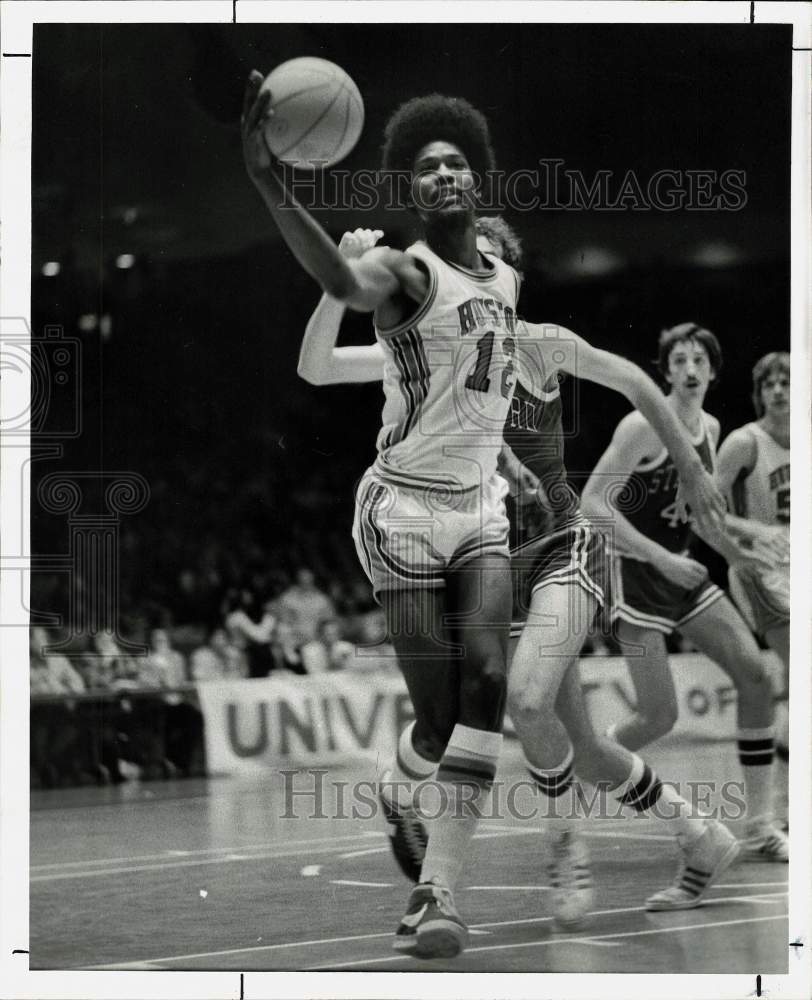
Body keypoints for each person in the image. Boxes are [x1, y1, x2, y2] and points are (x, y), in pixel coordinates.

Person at [298, 219, 737, 920]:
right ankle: (701, 834)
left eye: (489, 261)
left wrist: (688, 459)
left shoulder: (538, 343)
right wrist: (339, 276)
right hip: (493, 554)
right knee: (586, 749)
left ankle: (563, 849)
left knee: (525, 702)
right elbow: (318, 367)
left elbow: (632, 380)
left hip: (565, 548)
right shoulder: (432, 349)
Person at [243, 80, 524, 958]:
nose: (442, 175)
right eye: (426, 168)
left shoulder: (507, 276)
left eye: (455, 164)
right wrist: (270, 182)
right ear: (414, 192)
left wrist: (514, 461)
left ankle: (436, 894)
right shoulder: (405, 271)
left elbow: (487, 392)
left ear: (477, 181)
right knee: (439, 723)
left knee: (488, 684)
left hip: (479, 507)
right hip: (400, 512)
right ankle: (403, 786)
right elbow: (334, 287)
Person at [581, 323, 788, 862]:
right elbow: (593, 503)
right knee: (658, 718)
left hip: (683, 571)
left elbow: (700, 510)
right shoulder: (641, 426)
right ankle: (579, 770)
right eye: (679, 361)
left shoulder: (712, 427)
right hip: (634, 575)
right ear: (664, 372)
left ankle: (762, 825)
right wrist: (661, 557)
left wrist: (737, 552)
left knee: (757, 677)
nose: (690, 370)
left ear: (714, 371)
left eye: (699, 360)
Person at [715, 353, 790, 758]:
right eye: (769, 384)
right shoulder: (744, 442)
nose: (778, 390)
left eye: (787, 381)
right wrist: (754, 529)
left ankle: (785, 740)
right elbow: (702, 509)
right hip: (757, 567)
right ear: (759, 394)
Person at [277, 568, 336, 647]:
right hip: (296, 637)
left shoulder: (321, 599)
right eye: (303, 579)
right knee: (282, 629)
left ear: (313, 580)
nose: (306, 582)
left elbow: (329, 619)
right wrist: (299, 634)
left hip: (317, 637)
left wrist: (318, 635)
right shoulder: (288, 598)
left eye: (309, 579)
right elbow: (284, 620)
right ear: (298, 581)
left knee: (331, 629)